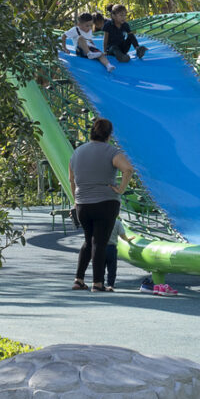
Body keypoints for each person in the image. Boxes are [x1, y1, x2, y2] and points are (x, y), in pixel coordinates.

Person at [69, 118, 134, 291]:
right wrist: (120, 189)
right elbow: (128, 169)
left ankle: (79, 279)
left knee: (88, 242)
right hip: (105, 202)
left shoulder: (77, 152)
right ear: (109, 134)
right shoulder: (111, 151)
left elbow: (71, 179)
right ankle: (97, 283)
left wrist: (76, 201)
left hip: (82, 203)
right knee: (100, 243)